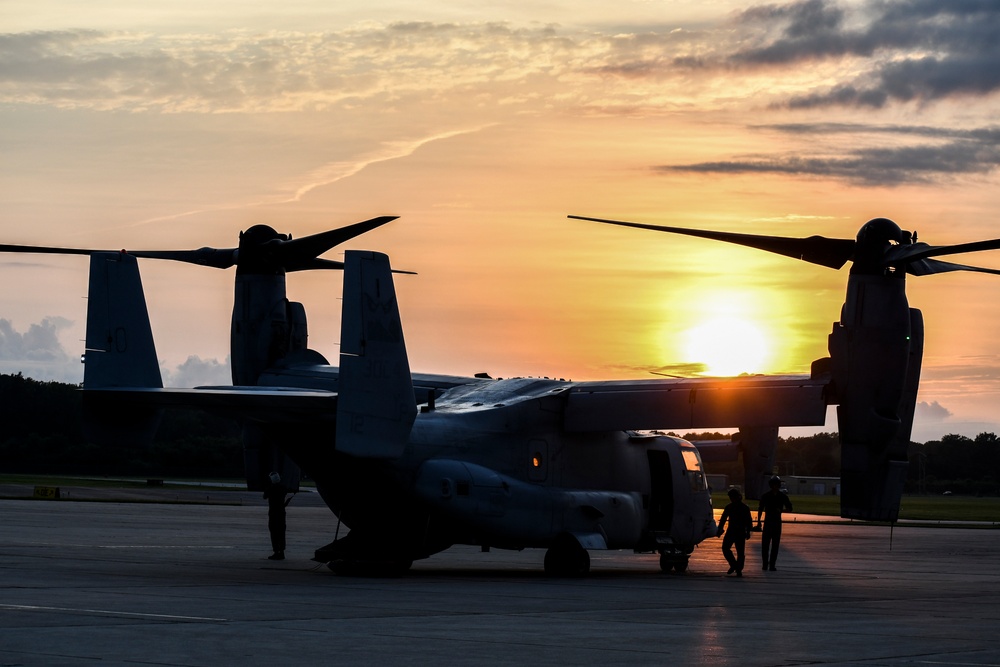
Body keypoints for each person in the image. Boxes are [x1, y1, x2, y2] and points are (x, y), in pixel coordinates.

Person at [757, 475, 793, 571]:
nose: (775, 486)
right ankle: (765, 564)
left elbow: (790, 508)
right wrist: (759, 521)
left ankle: (772, 565)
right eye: (773, 484)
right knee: (765, 545)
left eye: (777, 484)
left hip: (777, 523)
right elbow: (760, 509)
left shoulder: (782, 496)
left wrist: (781, 511)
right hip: (768, 522)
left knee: (775, 545)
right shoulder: (766, 496)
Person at [716, 488, 753, 577]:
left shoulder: (737, 507)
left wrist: (748, 531)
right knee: (729, 549)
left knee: (737, 551)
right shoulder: (737, 507)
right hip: (734, 531)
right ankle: (736, 566)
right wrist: (720, 529)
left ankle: (736, 567)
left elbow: (748, 521)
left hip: (736, 531)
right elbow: (723, 519)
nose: (731, 499)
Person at [263, 471, 289, 560]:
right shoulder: (283, 488)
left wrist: (268, 486)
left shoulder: (271, 488)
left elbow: (264, 496)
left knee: (274, 532)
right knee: (281, 532)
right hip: (281, 512)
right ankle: (281, 552)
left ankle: (276, 551)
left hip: (274, 513)